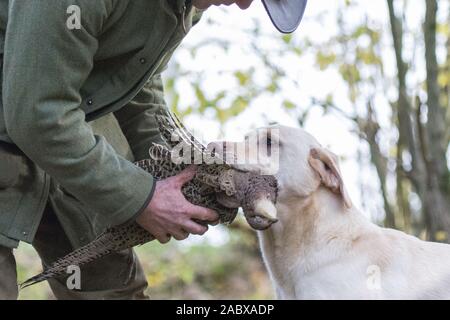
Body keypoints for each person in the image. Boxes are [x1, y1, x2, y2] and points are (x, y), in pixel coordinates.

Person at [0, 0, 307, 300]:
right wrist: (142, 197)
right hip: (34, 122)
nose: (244, 5)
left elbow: (135, 85)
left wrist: (184, 173)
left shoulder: (185, 7)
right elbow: (38, 116)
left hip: (68, 133)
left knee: (113, 290)